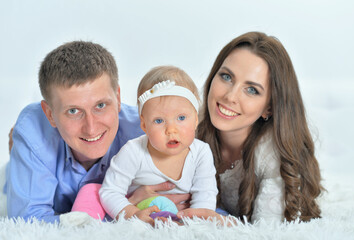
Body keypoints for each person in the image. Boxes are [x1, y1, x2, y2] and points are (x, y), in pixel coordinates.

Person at [4, 41, 188, 223]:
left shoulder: (147, 133)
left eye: (100, 105)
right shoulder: (33, 131)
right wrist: (125, 208)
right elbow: (28, 222)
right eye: (73, 111)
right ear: (50, 114)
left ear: (118, 98)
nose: (91, 128)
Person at [179, 31, 324, 223]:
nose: (230, 96)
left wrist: (219, 222)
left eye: (252, 90)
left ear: (269, 108)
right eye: (226, 77)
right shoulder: (189, 125)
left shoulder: (272, 156)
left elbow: (266, 231)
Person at [72, 66, 218, 225]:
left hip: (181, 214)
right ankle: (81, 224)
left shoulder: (201, 152)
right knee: (91, 191)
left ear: (196, 119)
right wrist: (133, 213)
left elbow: (205, 195)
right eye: (159, 121)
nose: (171, 129)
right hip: (138, 208)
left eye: (181, 118)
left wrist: (192, 221)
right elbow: (111, 191)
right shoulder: (133, 151)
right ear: (144, 124)